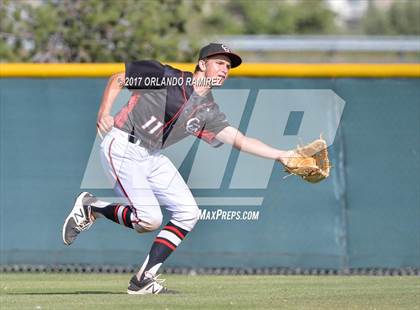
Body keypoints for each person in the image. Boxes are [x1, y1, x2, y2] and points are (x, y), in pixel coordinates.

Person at [62, 43, 296, 294]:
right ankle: (92, 207)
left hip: (152, 156)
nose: (224, 70)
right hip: (122, 145)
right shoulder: (167, 77)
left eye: (228, 66)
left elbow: (240, 140)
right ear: (203, 64)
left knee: (188, 213)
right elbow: (118, 78)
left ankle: (143, 279)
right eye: (219, 63)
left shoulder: (207, 110)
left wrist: (282, 155)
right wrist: (103, 112)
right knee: (150, 220)